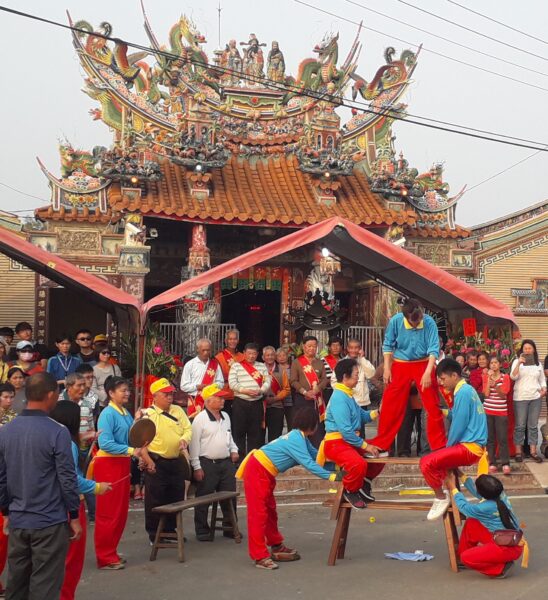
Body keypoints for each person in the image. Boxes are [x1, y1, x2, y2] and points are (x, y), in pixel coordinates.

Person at [0, 372, 82, 600]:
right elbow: (67, 478)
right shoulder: (57, 431)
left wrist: (6, 511)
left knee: (16, 583)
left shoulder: (6, 431)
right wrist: (73, 515)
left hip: (18, 520)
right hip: (49, 521)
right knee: (44, 586)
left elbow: (2, 478)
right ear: (50, 395)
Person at [236, 406, 340, 570]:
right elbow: (309, 464)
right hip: (258, 470)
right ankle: (259, 556)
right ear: (312, 424)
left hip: (265, 472)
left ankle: (276, 545)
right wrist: (333, 476)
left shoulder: (300, 437)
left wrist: (336, 465)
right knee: (258, 514)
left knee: (270, 510)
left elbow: (317, 456)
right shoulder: (296, 440)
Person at [49, 401, 112, 600]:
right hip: (70, 504)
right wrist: (97, 487)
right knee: (71, 560)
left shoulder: (50, 437)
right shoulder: (67, 443)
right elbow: (72, 479)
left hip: (48, 505)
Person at [369, 298, 446, 453]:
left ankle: (438, 445)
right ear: (405, 317)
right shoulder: (396, 321)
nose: (415, 325)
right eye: (412, 323)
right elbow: (388, 344)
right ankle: (381, 444)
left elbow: (433, 349)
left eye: (418, 322)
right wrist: (387, 368)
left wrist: (428, 372)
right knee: (390, 403)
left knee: (432, 403)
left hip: (424, 362)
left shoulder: (429, 322)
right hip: (400, 363)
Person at [92, 376, 153, 570]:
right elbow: (105, 443)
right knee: (108, 512)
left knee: (119, 512)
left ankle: (111, 552)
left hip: (121, 464)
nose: (127, 393)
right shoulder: (107, 414)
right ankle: (104, 556)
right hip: (108, 464)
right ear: (110, 393)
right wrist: (132, 452)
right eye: (122, 390)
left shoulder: (125, 413)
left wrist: (137, 425)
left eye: (127, 390)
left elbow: (131, 438)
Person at [420, 358, 487, 521]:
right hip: (473, 446)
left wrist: (448, 448)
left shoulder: (462, 392)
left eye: (443, 379)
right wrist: (442, 412)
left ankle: (441, 497)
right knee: (443, 465)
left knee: (426, 463)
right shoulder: (467, 390)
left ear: (455, 375)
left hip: (470, 447)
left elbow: (459, 424)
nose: (441, 383)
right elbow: (458, 416)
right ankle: (454, 500)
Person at [318, 358, 382, 508]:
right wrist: (366, 446)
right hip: (336, 444)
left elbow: (362, 416)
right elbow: (346, 431)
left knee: (383, 449)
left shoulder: (348, 394)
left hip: (348, 442)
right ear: (345, 377)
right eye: (356, 375)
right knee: (357, 464)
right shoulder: (339, 397)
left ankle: (365, 481)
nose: (358, 378)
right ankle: (350, 490)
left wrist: (378, 412)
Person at [139, 378, 192, 544]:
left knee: (175, 497)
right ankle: (154, 534)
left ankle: (171, 531)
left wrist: (184, 440)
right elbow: (141, 441)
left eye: (171, 394)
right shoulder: (148, 414)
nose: (170, 397)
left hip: (176, 460)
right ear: (155, 396)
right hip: (157, 462)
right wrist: (147, 460)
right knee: (155, 499)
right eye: (165, 394)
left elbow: (188, 429)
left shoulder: (177, 410)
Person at [448, 473, 525, 578]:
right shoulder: (500, 494)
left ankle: (501, 568)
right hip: (507, 539)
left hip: (507, 548)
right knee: (472, 522)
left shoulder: (483, 508)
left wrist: (453, 488)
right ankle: (464, 556)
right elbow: (477, 491)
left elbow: (464, 507)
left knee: (466, 557)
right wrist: (461, 475)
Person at [190, 383, 239, 541]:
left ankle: (229, 527)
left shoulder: (226, 417)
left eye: (222, 397)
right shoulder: (200, 419)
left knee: (230, 497)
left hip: (225, 463)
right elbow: (194, 444)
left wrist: (234, 449)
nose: (222, 400)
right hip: (207, 463)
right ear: (208, 401)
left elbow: (229, 436)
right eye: (218, 398)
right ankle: (202, 529)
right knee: (203, 498)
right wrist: (196, 466)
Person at [229, 343, 271, 457]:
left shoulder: (262, 366)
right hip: (240, 402)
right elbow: (232, 383)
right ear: (244, 353)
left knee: (256, 433)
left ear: (257, 354)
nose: (251, 356)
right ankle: (240, 459)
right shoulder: (236, 366)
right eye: (249, 353)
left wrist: (261, 390)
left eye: (254, 354)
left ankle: (254, 459)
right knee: (239, 431)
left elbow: (267, 381)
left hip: (256, 403)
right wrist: (244, 390)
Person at [510, 339, 546, 463]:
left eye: (529, 348)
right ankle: (518, 452)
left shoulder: (538, 364)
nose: (527, 350)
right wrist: (519, 363)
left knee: (533, 426)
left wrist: (544, 389)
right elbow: (513, 377)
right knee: (520, 426)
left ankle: (533, 452)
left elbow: (542, 380)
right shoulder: (516, 361)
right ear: (522, 350)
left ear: (534, 350)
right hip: (520, 398)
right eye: (525, 348)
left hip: (535, 398)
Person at [290, 336, 328, 448]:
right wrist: (305, 392)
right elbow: (293, 380)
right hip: (302, 399)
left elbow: (325, 379)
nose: (312, 348)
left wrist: (317, 389)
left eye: (314, 346)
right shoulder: (297, 362)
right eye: (309, 346)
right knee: (302, 425)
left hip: (317, 399)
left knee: (317, 427)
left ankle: (317, 451)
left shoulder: (319, 363)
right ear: (303, 347)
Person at [181, 339, 224, 419]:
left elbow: (221, 383)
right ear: (197, 349)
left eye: (208, 350)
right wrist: (197, 387)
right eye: (203, 350)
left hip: (212, 400)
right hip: (195, 401)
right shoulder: (190, 365)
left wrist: (212, 387)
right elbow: (183, 386)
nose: (206, 353)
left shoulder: (215, 364)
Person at [483, 356, 511, 474]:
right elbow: (486, 394)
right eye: (491, 363)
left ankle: (505, 463)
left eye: (496, 363)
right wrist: (489, 381)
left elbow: (504, 395)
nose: (493, 365)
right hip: (488, 411)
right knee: (490, 439)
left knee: (502, 438)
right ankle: (492, 462)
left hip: (501, 412)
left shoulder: (505, 377)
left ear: (500, 365)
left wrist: (496, 385)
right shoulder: (486, 377)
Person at [262, 346, 290, 442]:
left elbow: (286, 389)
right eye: (267, 355)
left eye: (272, 355)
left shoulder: (281, 370)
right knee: (259, 435)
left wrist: (275, 398)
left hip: (277, 407)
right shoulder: (258, 369)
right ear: (263, 357)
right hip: (261, 407)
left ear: (275, 356)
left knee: (275, 437)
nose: (270, 357)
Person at [215, 329, 244, 420]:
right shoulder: (218, 357)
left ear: (238, 340)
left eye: (235, 339)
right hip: (225, 394)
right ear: (226, 341)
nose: (232, 341)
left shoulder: (242, 356)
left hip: (239, 394)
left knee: (237, 423)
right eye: (230, 339)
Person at [397, 384, 423, 457]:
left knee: (423, 428)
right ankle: (403, 452)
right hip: (404, 399)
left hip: (421, 399)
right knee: (404, 427)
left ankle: (422, 451)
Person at [276, 347, 293, 431]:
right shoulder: (274, 369)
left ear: (287, 356)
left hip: (290, 400)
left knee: (291, 423)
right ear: (276, 358)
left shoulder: (292, 368)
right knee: (277, 425)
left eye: (284, 355)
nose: (282, 357)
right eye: (279, 356)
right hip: (277, 401)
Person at [322, 337, 342, 405]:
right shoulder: (322, 360)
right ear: (329, 347)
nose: (335, 348)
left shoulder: (344, 361)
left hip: (341, 391)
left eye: (338, 345)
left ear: (341, 347)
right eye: (333, 345)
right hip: (327, 391)